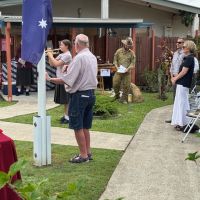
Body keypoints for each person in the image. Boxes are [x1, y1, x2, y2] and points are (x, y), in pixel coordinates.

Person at [46, 34, 97, 163]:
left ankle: (83, 155)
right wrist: (69, 69)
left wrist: (50, 79)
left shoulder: (79, 58)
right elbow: (81, 74)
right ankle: (88, 152)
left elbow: (67, 80)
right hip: (90, 94)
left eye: (74, 44)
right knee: (85, 126)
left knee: (77, 126)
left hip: (79, 95)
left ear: (77, 45)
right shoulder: (92, 56)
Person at [171, 40, 197, 131]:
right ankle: (179, 122)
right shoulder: (188, 57)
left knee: (182, 103)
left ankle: (183, 123)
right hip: (181, 83)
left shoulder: (190, 58)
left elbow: (184, 71)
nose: (182, 48)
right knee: (179, 103)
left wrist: (175, 78)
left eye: (184, 47)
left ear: (189, 48)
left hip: (183, 83)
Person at [46, 39, 72, 124]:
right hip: (60, 79)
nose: (60, 46)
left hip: (64, 80)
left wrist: (50, 55)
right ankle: (65, 116)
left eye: (61, 45)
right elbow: (52, 63)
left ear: (66, 46)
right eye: (60, 45)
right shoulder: (61, 54)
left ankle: (67, 118)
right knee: (64, 100)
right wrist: (50, 55)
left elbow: (57, 64)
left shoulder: (67, 55)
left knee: (67, 100)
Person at [165, 38, 185, 123]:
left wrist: (177, 76)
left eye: (179, 42)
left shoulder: (185, 54)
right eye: (177, 42)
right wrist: (171, 76)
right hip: (174, 78)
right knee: (174, 98)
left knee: (180, 99)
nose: (177, 44)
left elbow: (184, 68)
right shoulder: (176, 53)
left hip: (181, 78)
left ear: (183, 44)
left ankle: (181, 119)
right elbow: (172, 65)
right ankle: (174, 117)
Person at [112, 37, 136, 104]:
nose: (128, 47)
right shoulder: (118, 51)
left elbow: (133, 63)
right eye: (127, 45)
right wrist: (116, 67)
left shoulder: (132, 53)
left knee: (126, 86)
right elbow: (115, 60)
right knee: (115, 84)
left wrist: (128, 69)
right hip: (118, 71)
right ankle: (117, 96)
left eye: (129, 46)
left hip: (127, 72)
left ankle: (124, 99)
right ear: (124, 44)